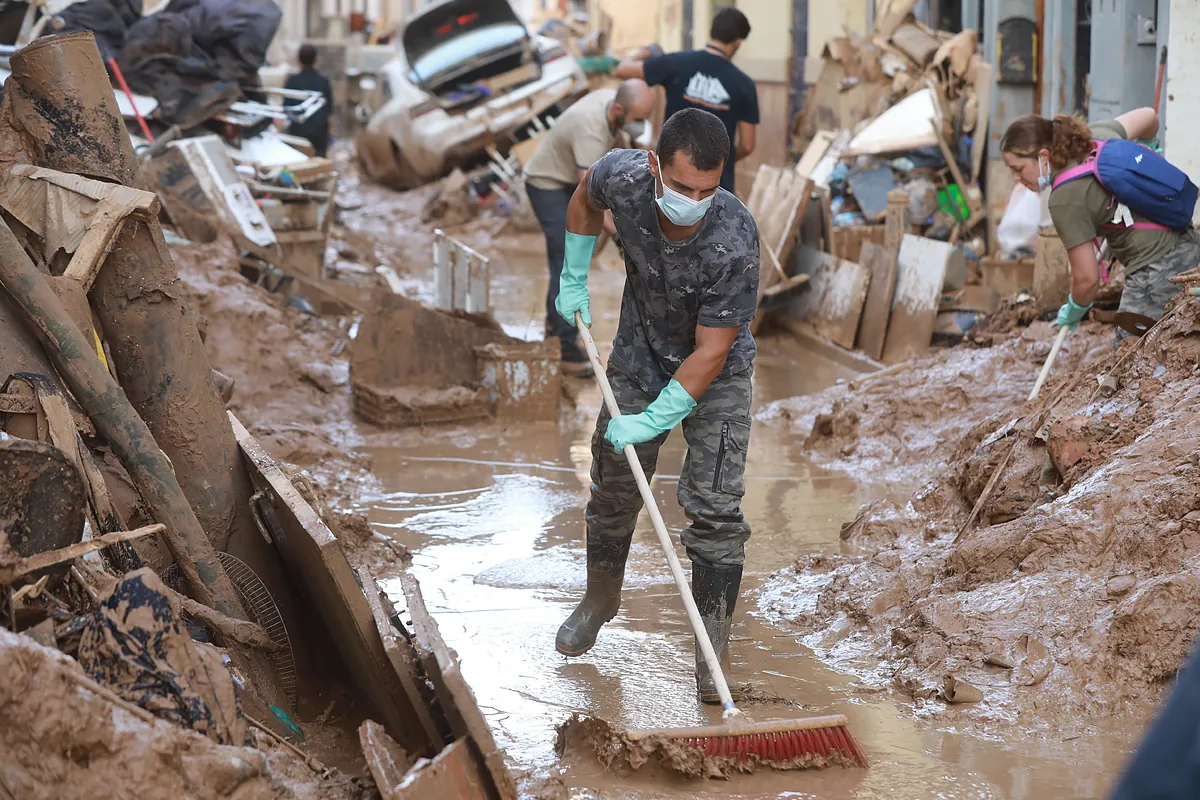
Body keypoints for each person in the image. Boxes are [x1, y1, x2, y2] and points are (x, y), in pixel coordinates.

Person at [552, 108, 759, 704]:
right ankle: (599, 599)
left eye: (708, 189)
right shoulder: (624, 176)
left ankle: (709, 659)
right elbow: (584, 198)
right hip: (639, 354)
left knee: (716, 512)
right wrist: (574, 274)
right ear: (653, 165)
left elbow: (712, 351)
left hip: (716, 375)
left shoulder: (734, 238)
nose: (694, 200)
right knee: (614, 481)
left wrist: (653, 419)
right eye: (682, 186)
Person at [1000, 109, 1200, 341]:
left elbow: (1087, 279)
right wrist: (1149, 147)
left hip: (1154, 271)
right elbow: (1148, 116)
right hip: (1188, 240)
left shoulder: (1064, 199)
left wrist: (1075, 308)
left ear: (1043, 156)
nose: (1016, 177)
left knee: (1129, 361)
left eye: (1018, 168)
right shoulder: (1096, 135)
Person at [525, 79, 657, 375]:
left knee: (581, 251)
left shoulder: (614, 105)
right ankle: (566, 350)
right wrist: (625, 237)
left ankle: (555, 330)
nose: (641, 125)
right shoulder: (590, 131)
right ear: (619, 110)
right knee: (568, 258)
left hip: (572, 182)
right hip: (548, 184)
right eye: (638, 120)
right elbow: (594, 197)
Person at [615, 7, 759, 193]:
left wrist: (647, 50)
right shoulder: (744, 84)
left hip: (671, 176)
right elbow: (747, 145)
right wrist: (717, 163)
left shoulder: (676, 63)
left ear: (709, 30)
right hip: (714, 187)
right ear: (738, 42)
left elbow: (622, 69)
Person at [285, 43, 334, 157]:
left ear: (298, 59)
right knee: (318, 166)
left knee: (298, 164)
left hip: (298, 134)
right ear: (317, 59)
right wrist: (328, 134)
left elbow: (286, 110)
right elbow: (329, 112)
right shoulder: (323, 81)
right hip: (319, 134)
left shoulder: (292, 81)